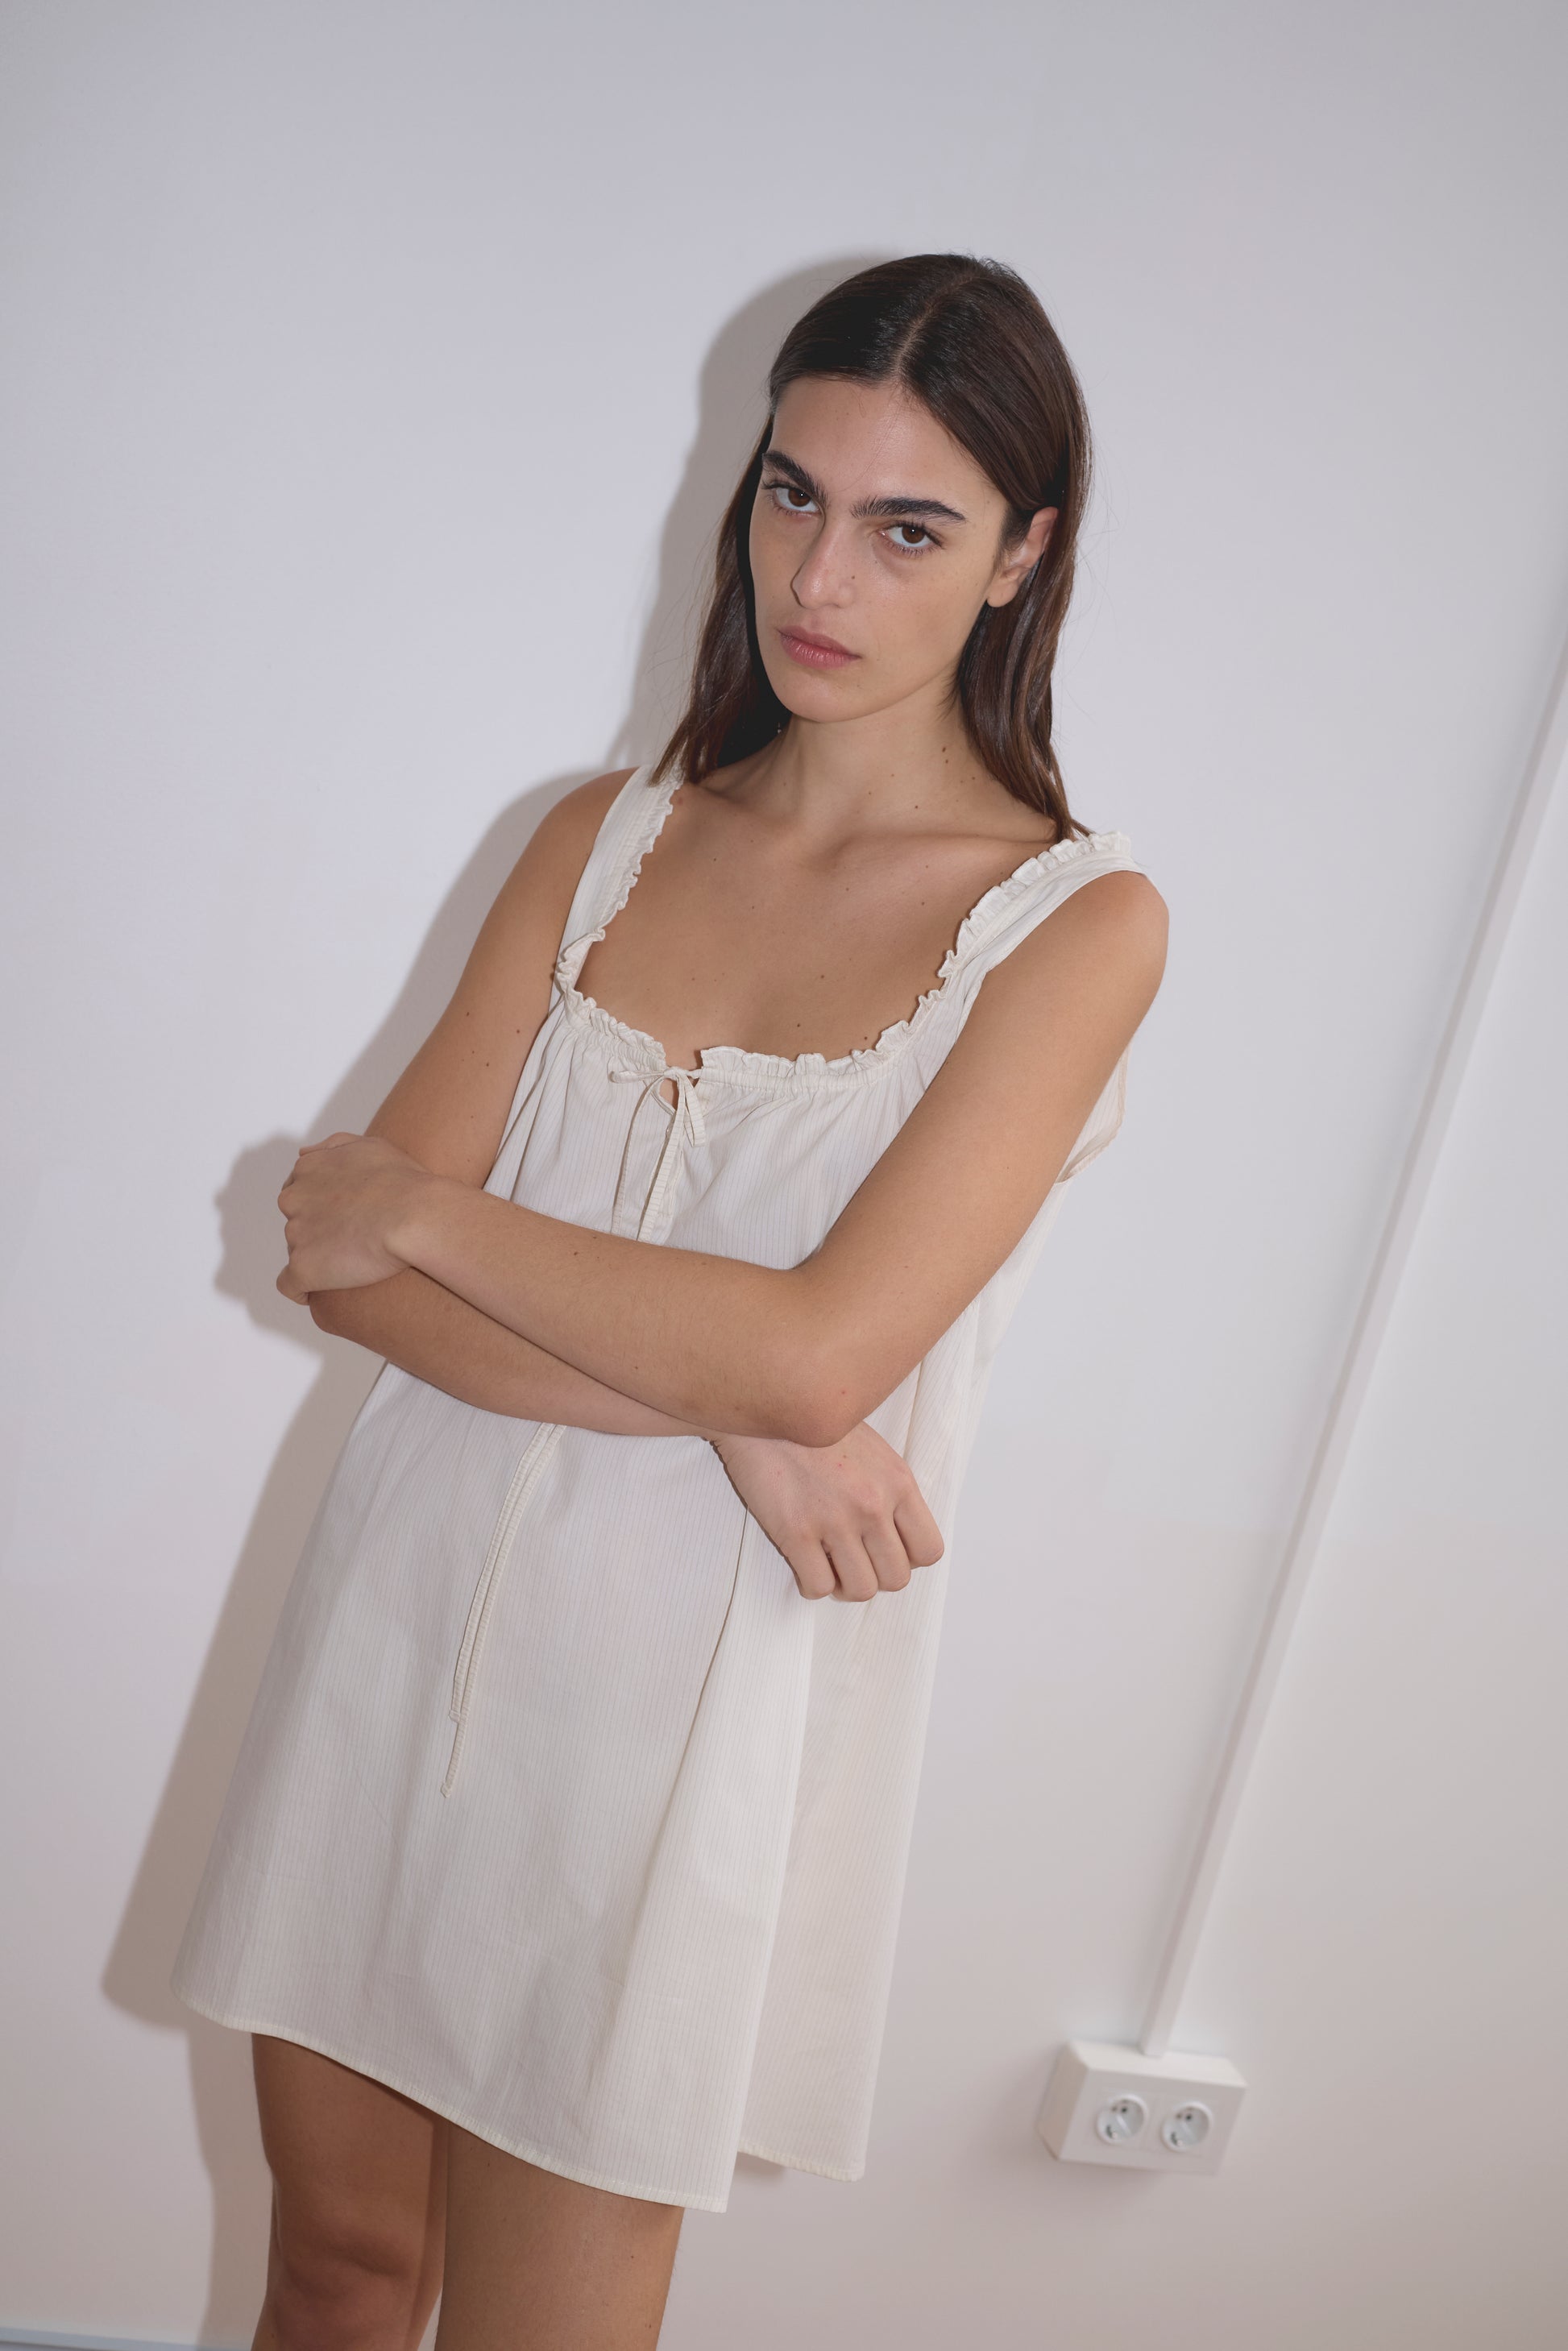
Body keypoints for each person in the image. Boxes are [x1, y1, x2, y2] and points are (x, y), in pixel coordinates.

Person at [171, 252, 1168, 2349]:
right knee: (333, 2270)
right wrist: (732, 1402)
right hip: (401, 1604)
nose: (825, 574)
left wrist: (465, 1235)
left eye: (911, 527)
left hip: (680, 1712)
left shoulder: (1073, 931)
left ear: (1022, 558)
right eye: (792, 495)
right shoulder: (600, 839)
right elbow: (347, 1276)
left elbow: (821, 1345)